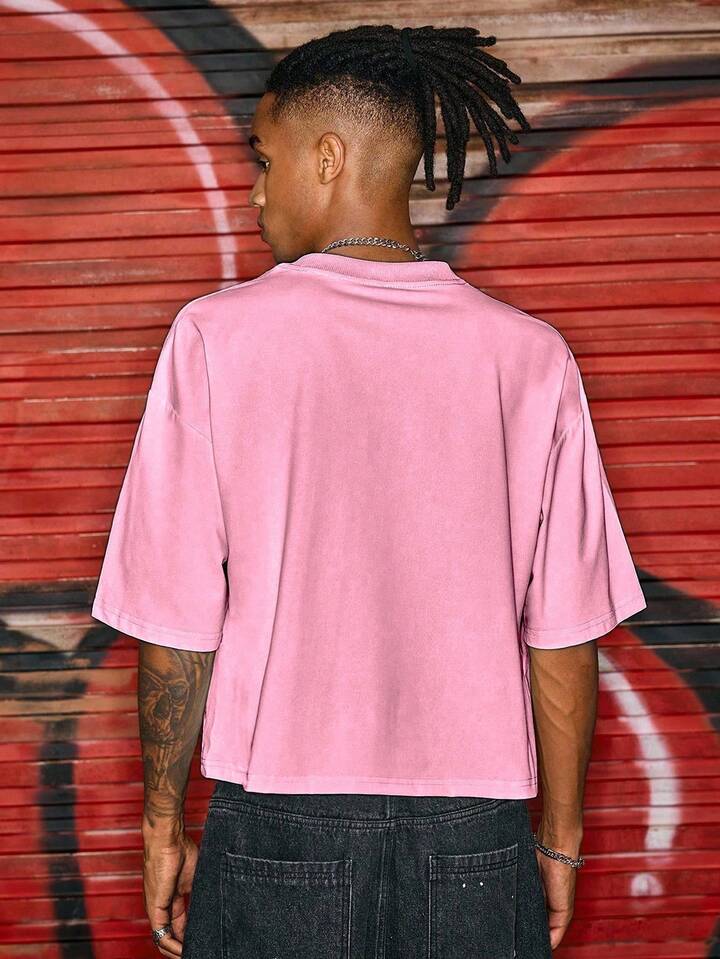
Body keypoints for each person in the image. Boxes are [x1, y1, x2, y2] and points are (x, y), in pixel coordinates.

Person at [90, 23, 647, 959]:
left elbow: (177, 626)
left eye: (263, 160)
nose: (255, 192)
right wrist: (558, 838)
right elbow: (562, 639)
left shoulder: (215, 341)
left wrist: (161, 824)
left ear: (328, 157)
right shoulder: (530, 358)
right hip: (476, 838)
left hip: (276, 824)